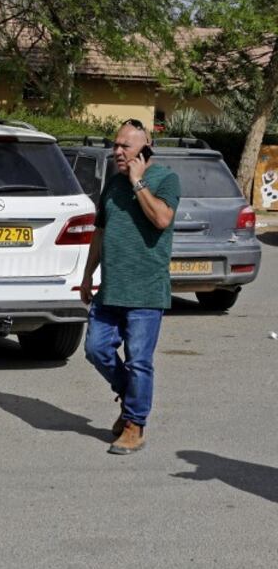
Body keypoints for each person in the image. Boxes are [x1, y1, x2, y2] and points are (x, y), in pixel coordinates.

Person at [80, 119, 180, 455]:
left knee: (139, 361)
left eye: (126, 146)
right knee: (95, 349)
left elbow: (162, 219)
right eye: (116, 144)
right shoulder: (111, 185)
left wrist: (138, 183)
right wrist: (86, 275)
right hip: (111, 289)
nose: (118, 151)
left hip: (146, 291)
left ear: (146, 146)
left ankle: (135, 424)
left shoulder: (165, 179)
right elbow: (101, 232)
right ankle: (131, 399)